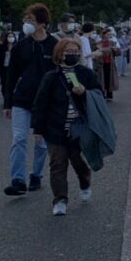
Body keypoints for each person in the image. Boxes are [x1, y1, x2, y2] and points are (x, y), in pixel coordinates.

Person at [31, 37, 102, 216]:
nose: (72, 55)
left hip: (79, 128)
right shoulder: (51, 77)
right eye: (68, 52)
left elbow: (98, 95)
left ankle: (85, 182)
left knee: (78, 161)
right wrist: (37, 129)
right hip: (55, 128)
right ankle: (60, 199)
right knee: (57, 164)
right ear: (59, 54)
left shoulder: (86, 74)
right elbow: (40, 104)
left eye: (75, 52)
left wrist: (84, 92)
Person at [3, 4, 58, 196]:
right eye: (26, 19)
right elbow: (11, 75)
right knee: (19, 139)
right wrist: (7, 102)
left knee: (41, 143)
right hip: (22, 99)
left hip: (46, 102)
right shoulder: (21, 46)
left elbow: (63, 72)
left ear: (43, 23)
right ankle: (18, 180)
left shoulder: (54, 45)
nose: (27, 23)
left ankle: (36, 174)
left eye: (31, 20)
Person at [94, 28, 121, 100]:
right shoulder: (99, 43)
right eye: (108, 34)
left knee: (110, 79)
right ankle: (102, 94)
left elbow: (118, 53)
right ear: (103, 35)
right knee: (102, 80)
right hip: (101, 64)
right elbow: (97, 52)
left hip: (110, 63)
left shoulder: (112, 42)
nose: (109, 36)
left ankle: (109, 95)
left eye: (110, 34)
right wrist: (108, 49)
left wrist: (116, 50)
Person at [0, 30, 16, 95]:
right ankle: (5, 97)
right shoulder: (2, 47)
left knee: (12, 84)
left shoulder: (17, 47)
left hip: (14, 69)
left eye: (12, 36)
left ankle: (11, 98)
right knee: (4, 84)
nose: (11, 38)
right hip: (4, 68)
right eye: (9, 36)